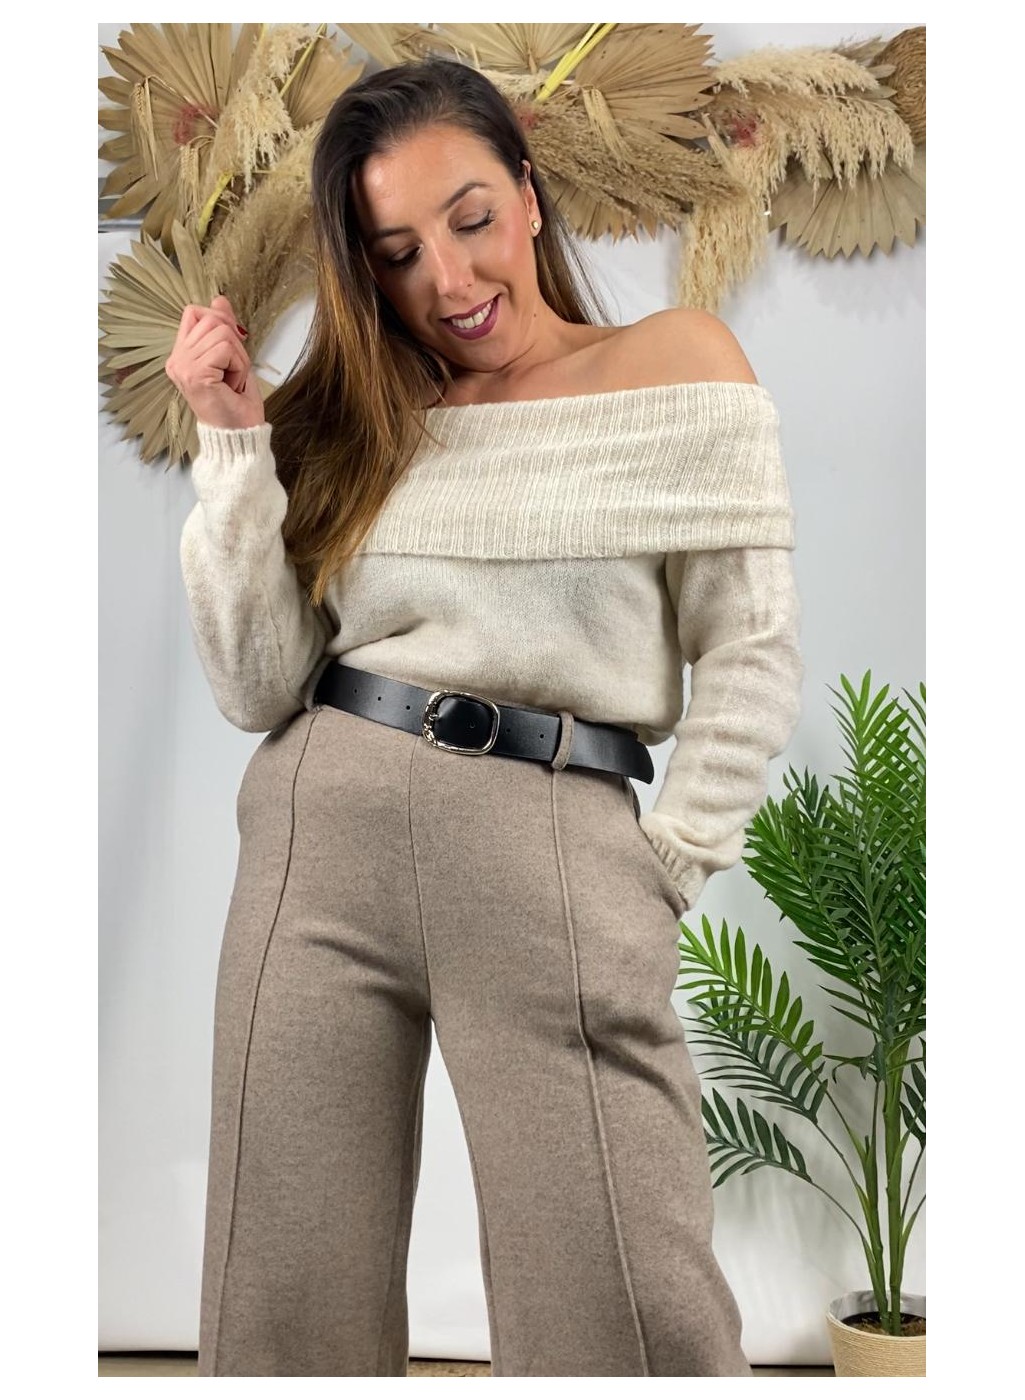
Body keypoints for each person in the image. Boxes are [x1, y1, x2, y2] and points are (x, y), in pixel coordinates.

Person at [165, 56, 803, 1379]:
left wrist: (664, 865)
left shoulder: (674, 363)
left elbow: (748, 647)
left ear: (525, 189)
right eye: (397, 254)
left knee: (621, 1300)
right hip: (319, 839)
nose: (447, 281)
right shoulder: (360, 416)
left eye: (469, 221)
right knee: (284, 1286)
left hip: (552, 848)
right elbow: (257, 685)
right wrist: (233, 445)